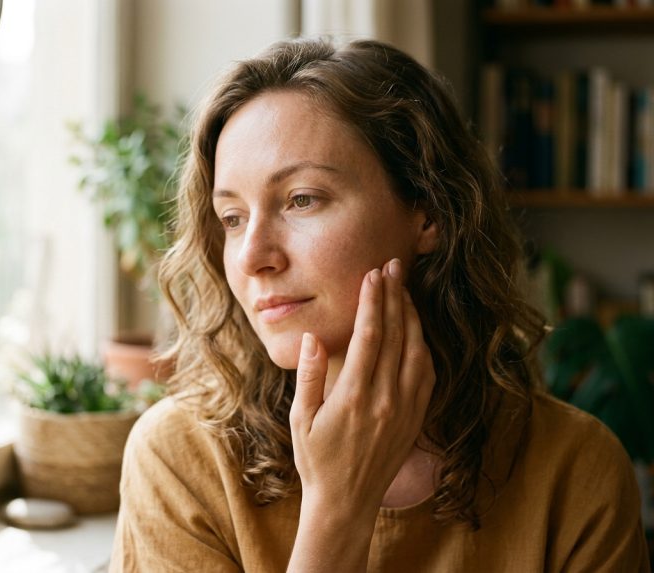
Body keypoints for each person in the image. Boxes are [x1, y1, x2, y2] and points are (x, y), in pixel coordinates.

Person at [109, 38, 649, 572]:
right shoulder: (179, 459)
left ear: (429, 214)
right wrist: (338, 511)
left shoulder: (577, 470)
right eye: (232, 218)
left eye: (302, 199)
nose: (252, 257)